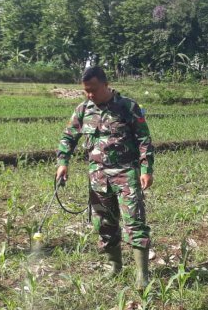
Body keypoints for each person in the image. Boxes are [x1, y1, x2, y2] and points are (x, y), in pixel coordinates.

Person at [56, 66, 154, 289]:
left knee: (134, 222)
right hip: (98, 177)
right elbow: (68, 137)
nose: (89, 95)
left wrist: (146, 169)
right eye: (86, 91)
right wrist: (63, 163)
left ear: (105, 84)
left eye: (93, 90)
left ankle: (142, 275)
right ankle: (114, 267)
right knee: (104, 224)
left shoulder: (127, 107)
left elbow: (144, 140)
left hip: (125, 174)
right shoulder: (83, 109)